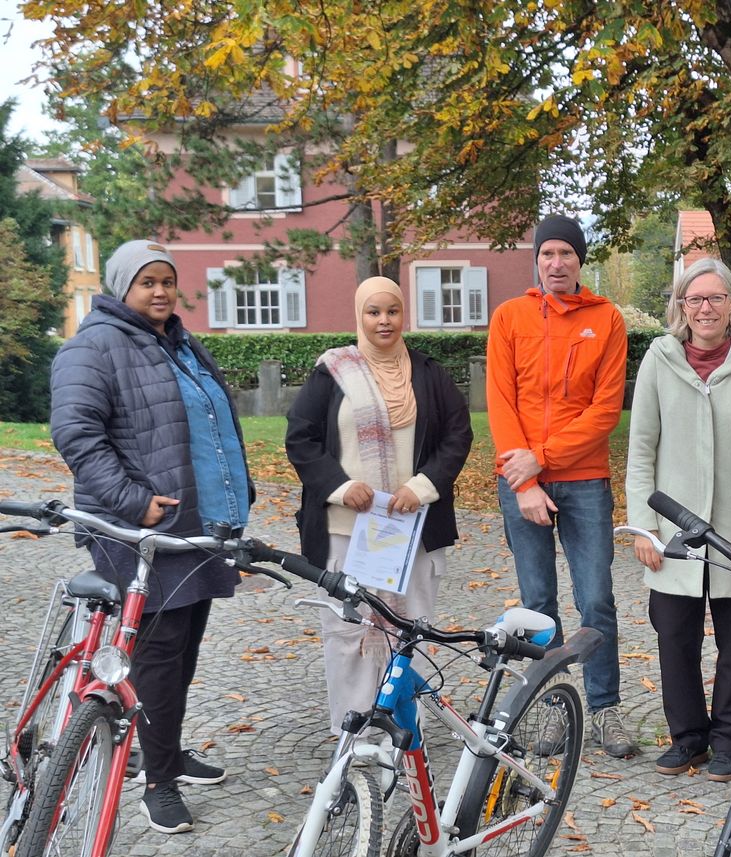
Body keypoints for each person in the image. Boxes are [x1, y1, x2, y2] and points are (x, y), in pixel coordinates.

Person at [51, 240, 252, 835]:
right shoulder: (93, 346)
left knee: (181, 652)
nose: (161, 291)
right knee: (159, 659)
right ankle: (158, 782)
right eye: (147, 282)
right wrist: (132, 501)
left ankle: (165, 749)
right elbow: (76, 434)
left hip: (196, 526)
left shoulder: (181, 342)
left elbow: (212, 423)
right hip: (144, 529)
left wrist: (236, 493)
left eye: (167, 280)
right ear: (122, 287)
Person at [285, 276, 472, 735]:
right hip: (346, 529)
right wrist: (340, 486)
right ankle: (354, 733)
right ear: (360, 315)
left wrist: (423, 486)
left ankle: (403, 731)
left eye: (392, 311)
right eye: (374, 312)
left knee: (410, 628)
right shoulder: (333, 372)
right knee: (350, 631)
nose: (383, 321)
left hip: (411, 527)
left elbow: (457, 435)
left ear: (403, 313)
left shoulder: (428, 373)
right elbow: (301, 438)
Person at [486, 213, 636, 758]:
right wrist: (524, 478)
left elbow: (605, 411)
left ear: (579, 260)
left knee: (596, 599)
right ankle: (553, 705)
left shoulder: (607, 319)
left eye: (566, 253)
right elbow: (500, 401)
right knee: (538, 603)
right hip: (520, 482)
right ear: (537, 259)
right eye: (547, 253)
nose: (556, 263)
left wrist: (543, 458)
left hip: (585, 480)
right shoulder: (510, 317)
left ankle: (605, 708)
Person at [625, 258, 731, 782]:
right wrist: (643, 526)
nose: (705, 308)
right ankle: (687, 738)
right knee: (675, 639)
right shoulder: (659, 359)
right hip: (671, 529)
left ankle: (730, 741)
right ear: (681, 306)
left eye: (715, 298)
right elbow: (640, 449)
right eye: (695, 299)